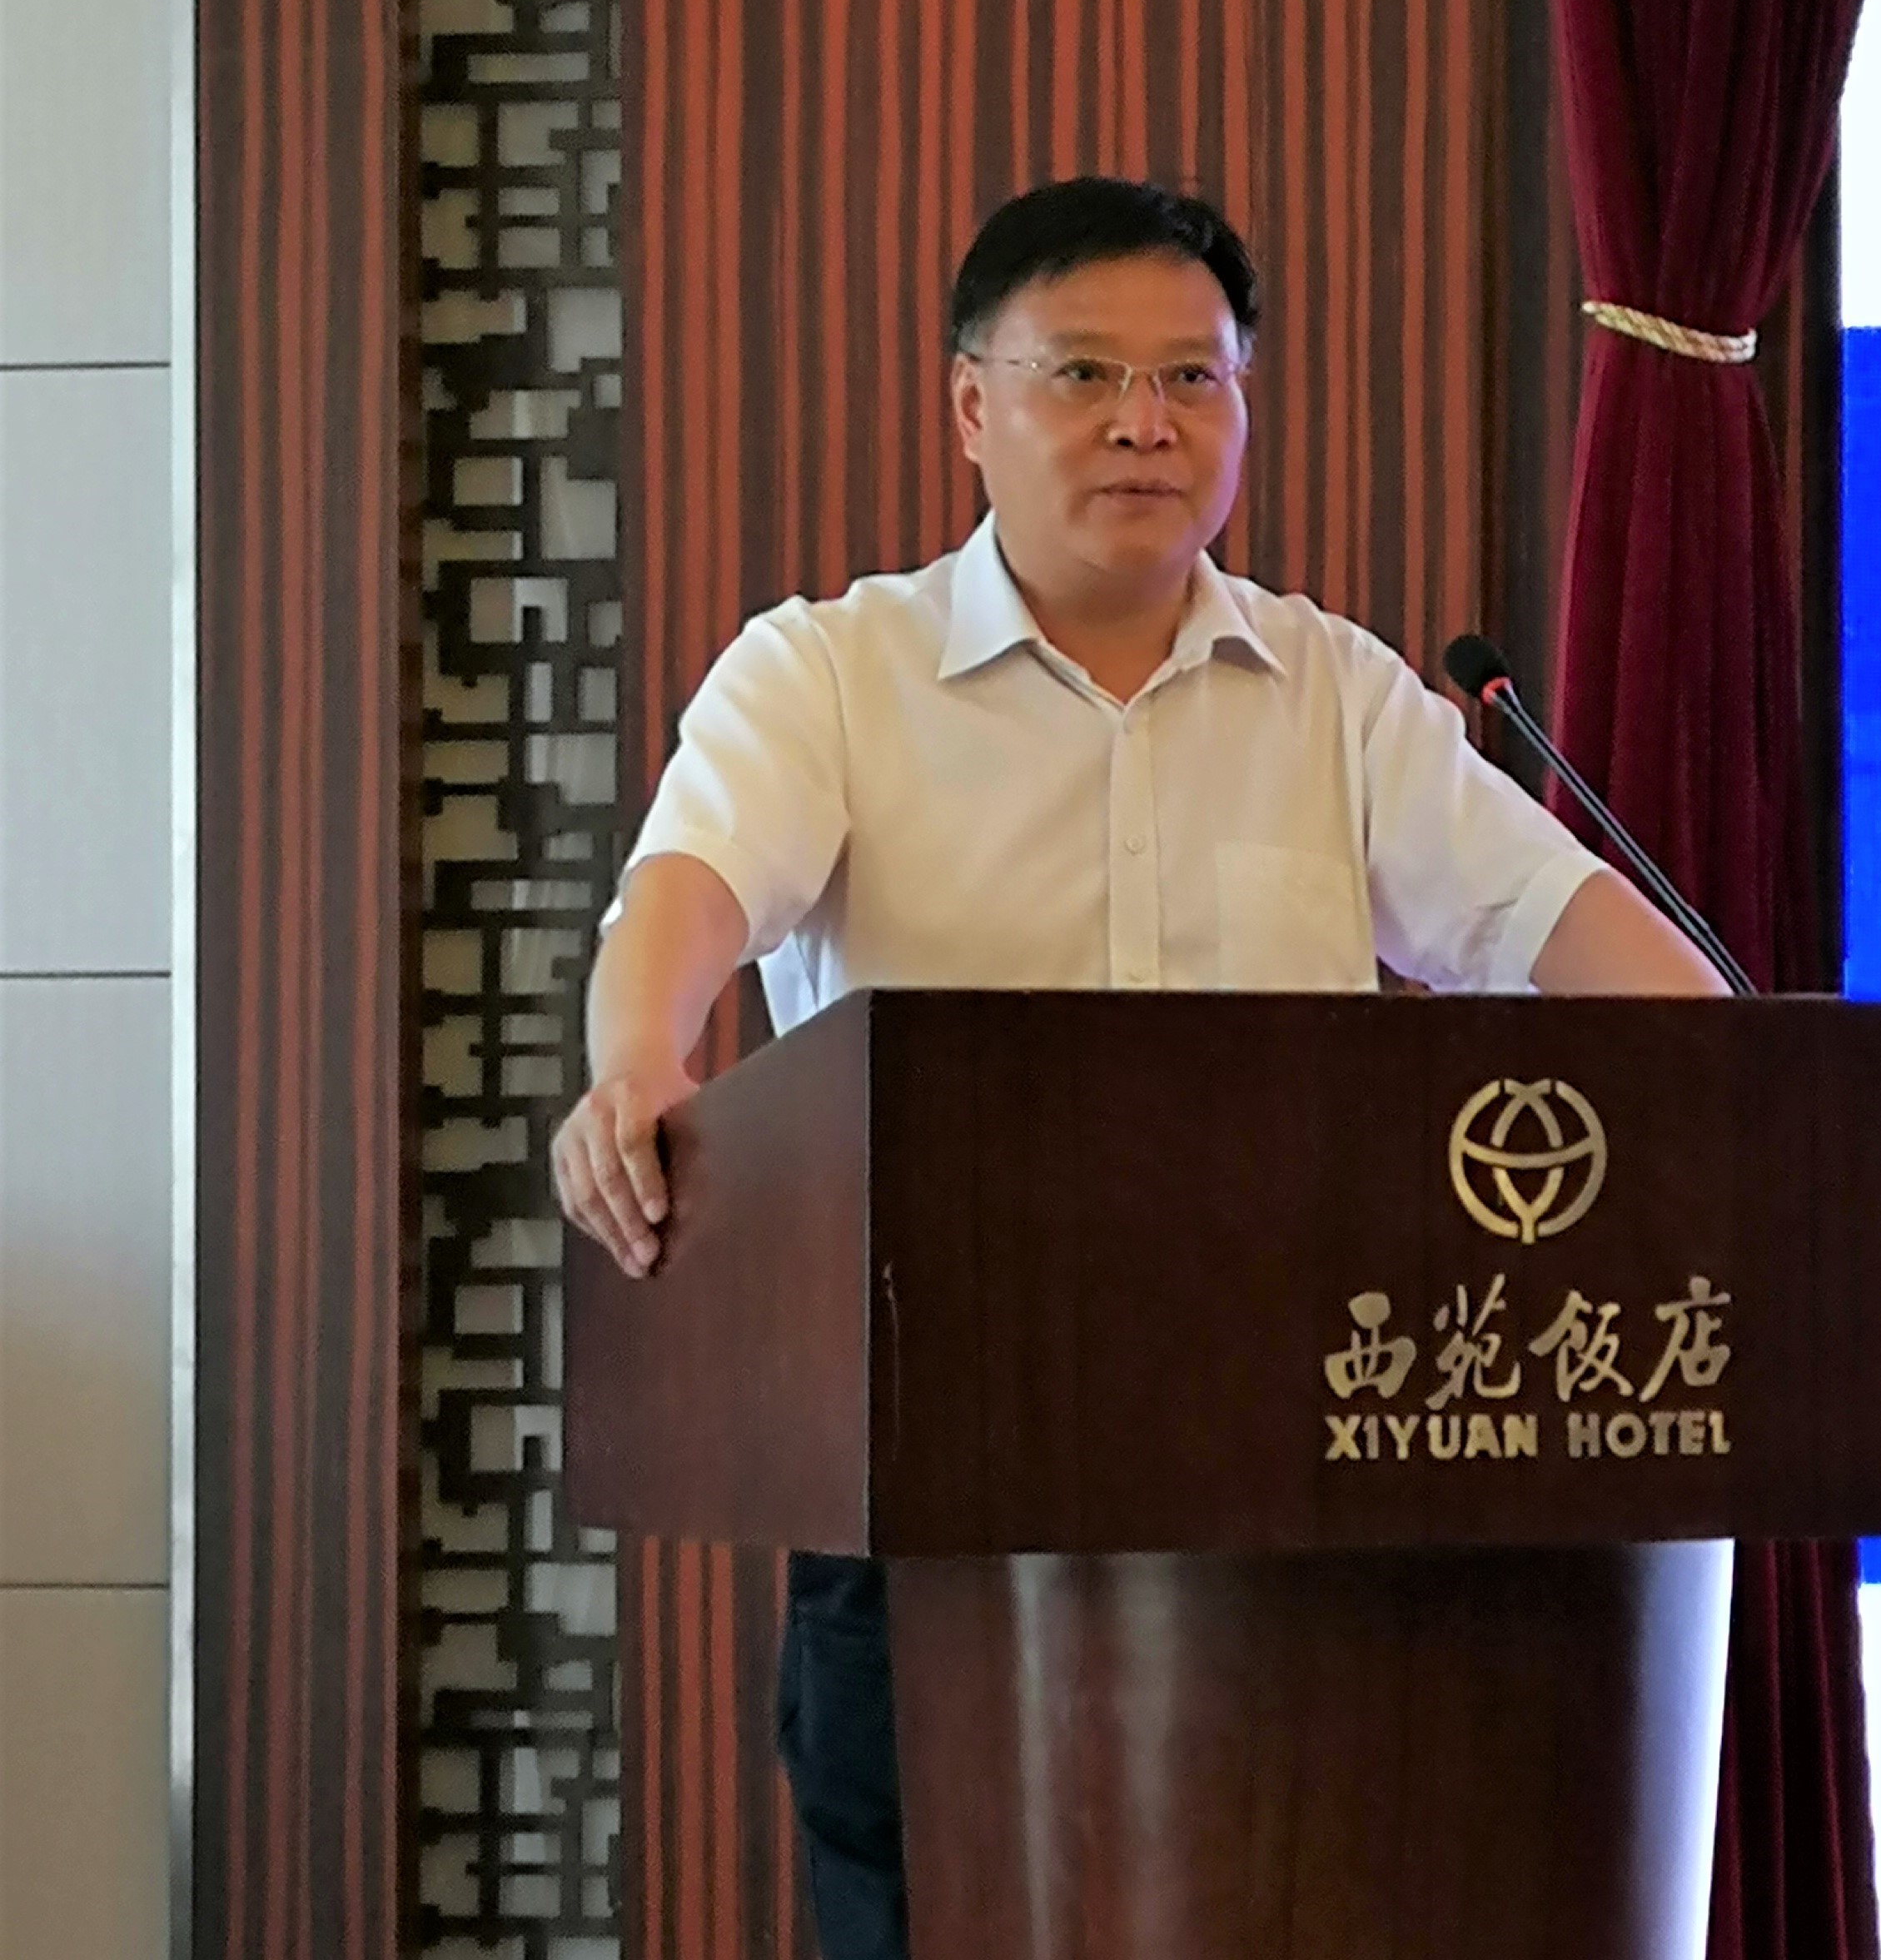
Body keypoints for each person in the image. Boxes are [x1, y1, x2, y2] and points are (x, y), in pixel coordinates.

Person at [551, 175, 1724, 1960]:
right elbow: (693, 883)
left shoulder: (1334, 694)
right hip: (936, 1504)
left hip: (1315, 1508)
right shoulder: (831, 674)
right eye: (1084, 373)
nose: (1142, 422)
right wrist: (637, 1056)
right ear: (972, 405)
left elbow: (1561, 927)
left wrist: (1743, 1098)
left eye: (1192, 378)